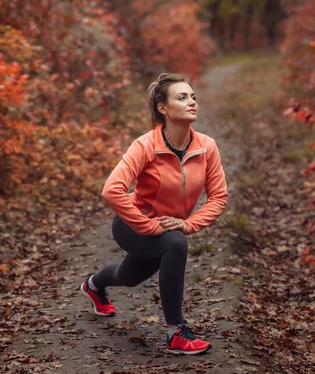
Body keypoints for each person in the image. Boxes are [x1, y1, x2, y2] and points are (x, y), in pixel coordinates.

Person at [80, 73, 228, 355]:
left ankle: (93, 285)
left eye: (193, 96)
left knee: (129, 276)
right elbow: (112, 190)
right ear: (163, 108)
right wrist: (150, 227)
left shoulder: (206, 147)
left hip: (167, 229)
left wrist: (187, 224)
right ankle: (176, 333)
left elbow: (219, 197)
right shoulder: (145, 145)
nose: (192, 102)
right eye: (182, 97)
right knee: (174, 243)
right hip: (132, 225)